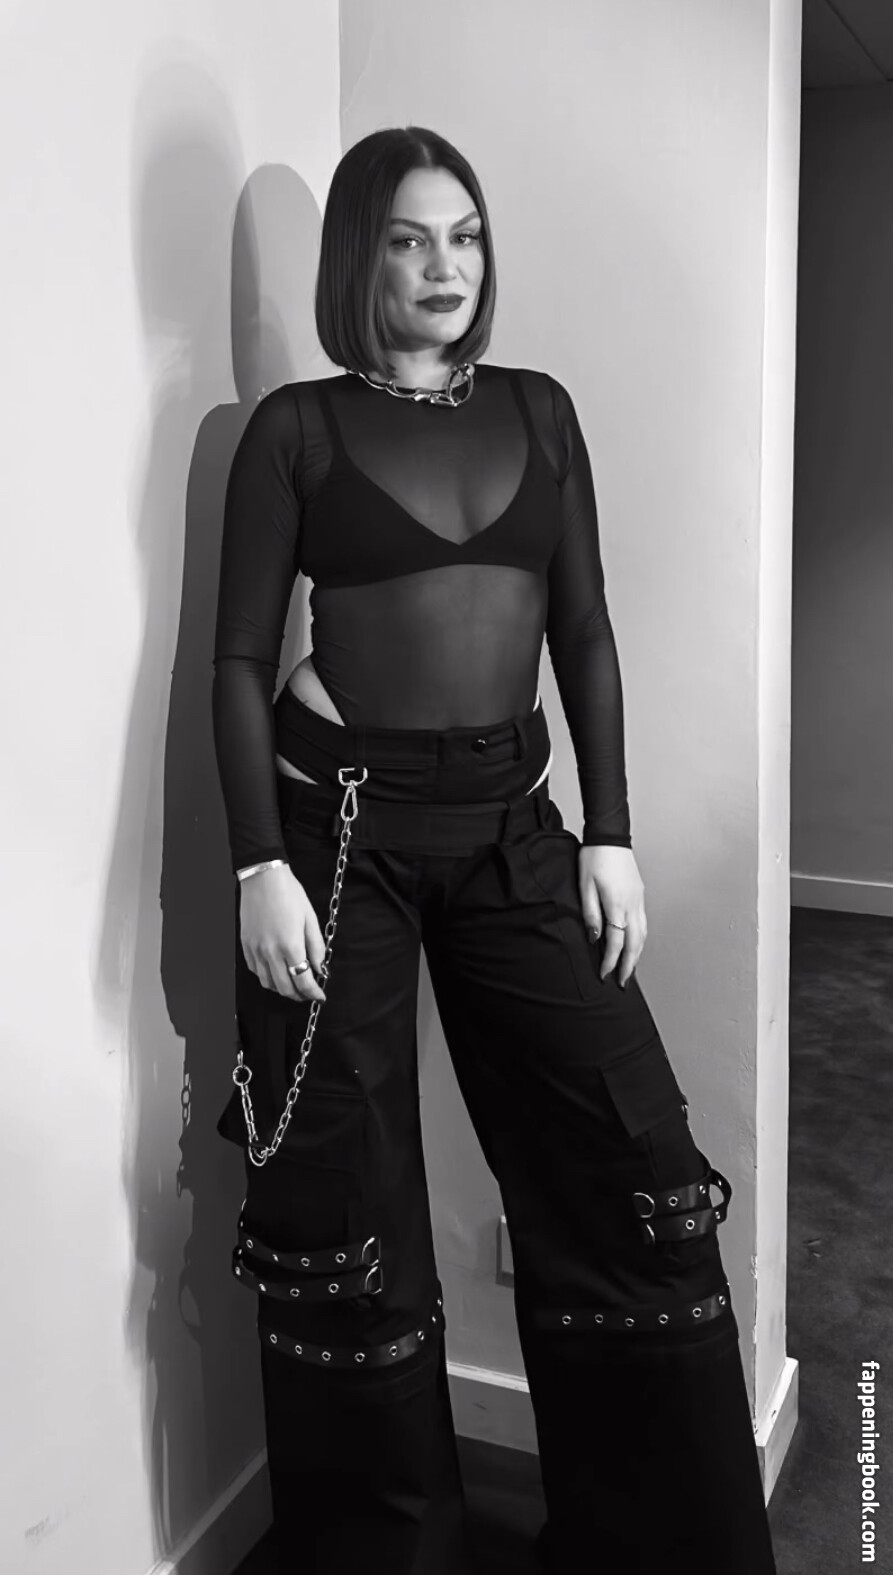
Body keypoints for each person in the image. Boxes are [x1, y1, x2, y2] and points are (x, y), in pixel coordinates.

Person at [212, 126, 777, 1575]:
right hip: (337, 838)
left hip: (515, 831)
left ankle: (654, 1546)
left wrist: (612, 831)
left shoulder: (540, 410)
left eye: (462, 235)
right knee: (344, 1206)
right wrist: (256, 862)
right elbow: (235, 661)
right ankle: (388, 1552)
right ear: (360, 258)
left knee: (626, 1161)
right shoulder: (293, 429)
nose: (443, 265)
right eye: (408, 239)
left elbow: (581, 627)